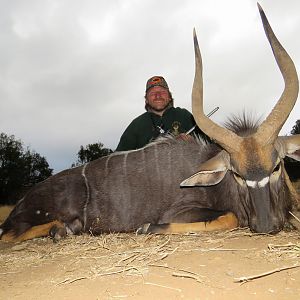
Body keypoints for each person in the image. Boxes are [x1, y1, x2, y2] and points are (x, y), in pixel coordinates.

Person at [116, 76, 205, 151]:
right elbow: (118, 159)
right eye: (152, 93)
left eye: (162, 92)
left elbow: (209, 144)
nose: (158, 95)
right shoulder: (137, 124)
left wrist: (193, 142)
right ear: (146, 100)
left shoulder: (183, 115)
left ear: (169, 97)